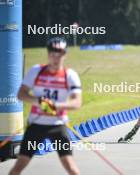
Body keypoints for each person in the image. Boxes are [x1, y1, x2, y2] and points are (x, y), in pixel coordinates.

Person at [9, 37, 82, 175]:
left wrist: (55, 106)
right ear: (48, 54)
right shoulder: (36, 71)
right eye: (52, 54)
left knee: (71, 168)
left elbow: (77, 102)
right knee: (18, 167)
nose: (55, 58)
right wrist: (40, 102)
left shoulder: (70, 75)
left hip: (58, 125)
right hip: (36, 124)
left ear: (65, 55)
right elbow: (21, 94)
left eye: (59, 54)